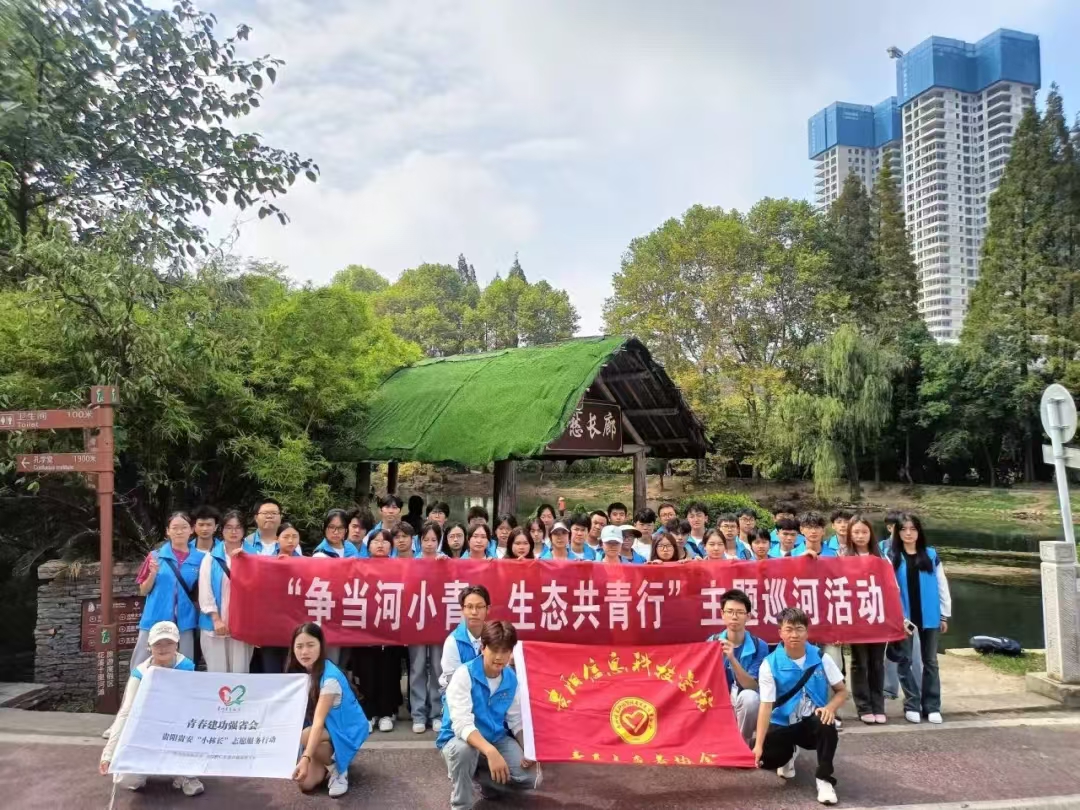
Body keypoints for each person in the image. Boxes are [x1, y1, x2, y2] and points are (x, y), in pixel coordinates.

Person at [437, 621, 540, 810]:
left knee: (530, 777)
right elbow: (462, 725)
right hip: (459, 740)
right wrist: (491, 752)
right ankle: (461, 804)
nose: (499, 657)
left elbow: (516, 720)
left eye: (505, 651)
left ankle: (484, 780)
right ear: (483, 648)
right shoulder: (464, 674)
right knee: (464, 752)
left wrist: (528, 750)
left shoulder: (511, 678)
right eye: (494, 650)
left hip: (496, 737)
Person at [753, 607, 846, 806]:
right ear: (780, 632)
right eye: (789, 629)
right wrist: (758, 746)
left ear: (807, 632)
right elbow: (766, 706)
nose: (794, 634)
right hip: (782, 724)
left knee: (826, 723)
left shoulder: (821, 658)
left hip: (811, 724)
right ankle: (788, 753)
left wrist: (830, 708)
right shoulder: (769, 664)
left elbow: (842, 691)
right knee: (765, 760)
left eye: (799, 629)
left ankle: (824, 779)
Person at [100, 621, 203, 796]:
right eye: (158, 643)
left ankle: (185, 774)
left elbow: (193, 706)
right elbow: (125, 712)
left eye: (169, 642)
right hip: (147, 731)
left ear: (177, 644)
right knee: (126, 779)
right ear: (149, 646)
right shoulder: (140, 673)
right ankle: (149, 766)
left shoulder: (186, 668)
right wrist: (108, 754)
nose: (163, 648)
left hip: (176, 729)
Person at [288, 622, 369, 798]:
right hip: (330, 729)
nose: (304, 652)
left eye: (310, 645)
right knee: (306, 784)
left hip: (347, 729)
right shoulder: (304, 672)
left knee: (305, 735)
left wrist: (305, 758)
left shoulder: (330, 679)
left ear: (321, 646)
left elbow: (317, 723)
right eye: (299, 646)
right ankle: (331, 762)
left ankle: (338, 770)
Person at [890, 514, 951, 725]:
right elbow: (889, 589)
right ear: (897, 533)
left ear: (919, 532)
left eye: (913, 529)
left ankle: (932, 705)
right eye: (904, 529)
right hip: (904, 618)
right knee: (904, 661)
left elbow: (942, 584)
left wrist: (944, 614)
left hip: (930, 615)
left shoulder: (931, 555)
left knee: (931, 661)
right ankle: (912, 704)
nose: (908, 533)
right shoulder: (892, 556)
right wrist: (896, 617)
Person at [132, 512, 203, 670]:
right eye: (175, 528)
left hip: (185, 621)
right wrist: (152, 574)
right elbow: (143, 590)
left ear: (191, 530)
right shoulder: (155, 557)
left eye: (184, 527)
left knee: (184, 665)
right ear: (167, 531)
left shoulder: (200, 559)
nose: (179, 531)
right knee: (142, 664)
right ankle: (138, 686)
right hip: (154, 618)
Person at [350, 530, 405, 732]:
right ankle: (369, 713)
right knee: (366, 672)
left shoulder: (400, 567)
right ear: (368, 545)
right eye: (375, 541)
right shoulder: (358, 565)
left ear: (391, 546)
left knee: (388, 673)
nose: (380, 544)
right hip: (365, 630)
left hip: (390, 629)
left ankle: (387, 713)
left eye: (385, 541)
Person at [706, 589, 768, 745]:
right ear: (722, 614)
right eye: (730, 611)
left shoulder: (760, 646)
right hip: (718, 703)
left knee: (750, 698)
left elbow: (752, 685)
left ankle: (742, 743)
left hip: (744, 707)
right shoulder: (712, 642)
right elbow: (704, 680)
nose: (734, 617)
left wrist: (732, 659)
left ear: (748, 616)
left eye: (740, 612)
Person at [198, 509, 251, 673]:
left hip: (243, 624)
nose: (233, 532)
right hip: (215, 624)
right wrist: (216, 619)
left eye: (238, 527)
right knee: (217, 672)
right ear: (221, 530)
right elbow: (205, 591)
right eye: (229, 527)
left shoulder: (254, 557)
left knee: (240, 672)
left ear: (244, 530)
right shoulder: (211, 557)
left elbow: (259, 591)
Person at [847, 515, 887, 724]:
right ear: (850, 534)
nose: (860, 536)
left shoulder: (881, 557)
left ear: (871, 533)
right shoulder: (843, 557)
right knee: (859, 663)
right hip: (856, 619)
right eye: (856, 532)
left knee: (877, 663)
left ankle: (878, 705)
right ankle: (864, 706)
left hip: (878, 617)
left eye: (864, 532)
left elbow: (891, 588)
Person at [440, 585, 490, 690]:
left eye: (479, 607)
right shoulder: (453, 641)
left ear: (488, 609)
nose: (474, 612)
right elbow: (454, 682)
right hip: (459, 694)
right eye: (469, 607)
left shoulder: (494, 637)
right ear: (462, 609)